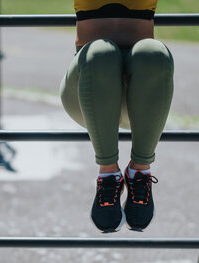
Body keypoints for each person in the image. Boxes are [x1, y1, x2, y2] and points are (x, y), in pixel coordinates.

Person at [60, 0, 174, 233]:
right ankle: (108, 175)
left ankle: (139, 171)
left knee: (154, 52)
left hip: (139, 97)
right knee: (100, 52)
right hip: (89, 88)